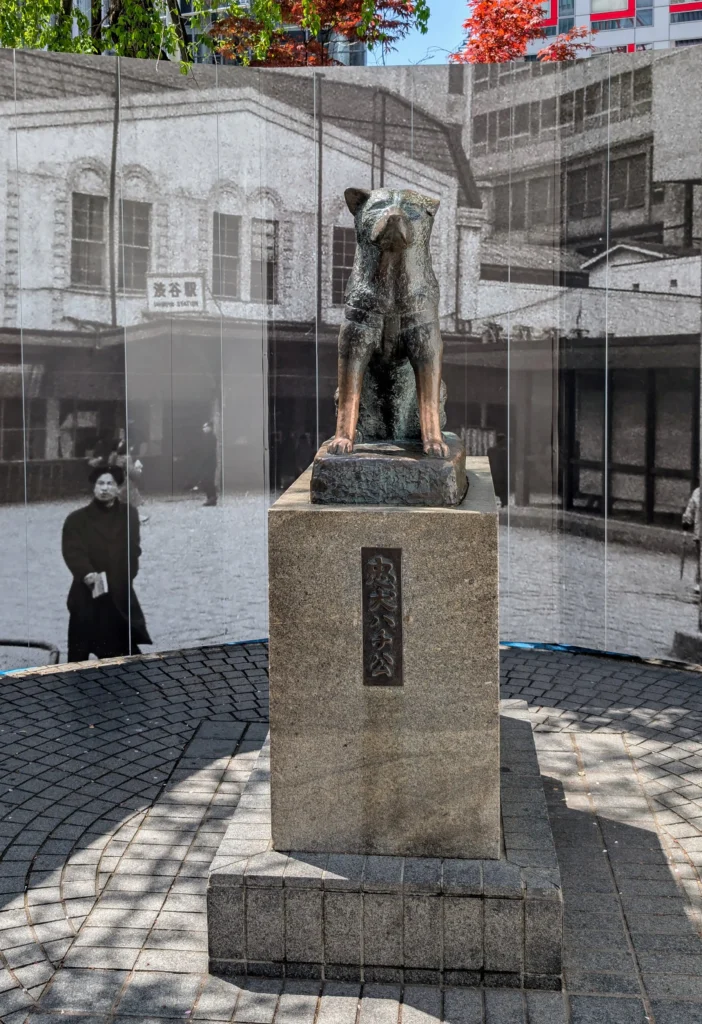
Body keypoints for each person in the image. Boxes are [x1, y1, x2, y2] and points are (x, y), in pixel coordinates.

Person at [61, 463, 152, 663]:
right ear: (93, 488)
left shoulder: (129, 514)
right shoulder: (77, 520)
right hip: (87, 593)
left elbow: (133, 548)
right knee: (79, 654)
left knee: (125, 654)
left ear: (118, 488)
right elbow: (73, 552)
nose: (104, 488)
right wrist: (87, 574)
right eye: (100, 483)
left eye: (109, 483)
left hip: (118, 591)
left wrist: (126, 575)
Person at [193, 421, 218, 507]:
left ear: (210, 427)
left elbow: (208, 451)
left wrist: (203, 460)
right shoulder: (205, 437)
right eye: (203, 427)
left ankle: (212, 497)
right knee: (205, 480)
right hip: (206, 463)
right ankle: (210, 497)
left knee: (209, 480)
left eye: (205, 427)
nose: (203, 429)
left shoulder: (211, 438)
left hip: (210, 463)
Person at [683, 485, 700, 594]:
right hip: (700, 532)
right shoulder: (697, 492)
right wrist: (686, 522)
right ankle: (699, 581)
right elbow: (690, 508)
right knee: (700, 557)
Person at [487, 432, 508, 508]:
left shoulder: (491, 450)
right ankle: (503, 503)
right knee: (503, 490)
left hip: (494, 473)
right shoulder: (504, 451)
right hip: (501, 474)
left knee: (495, 490)